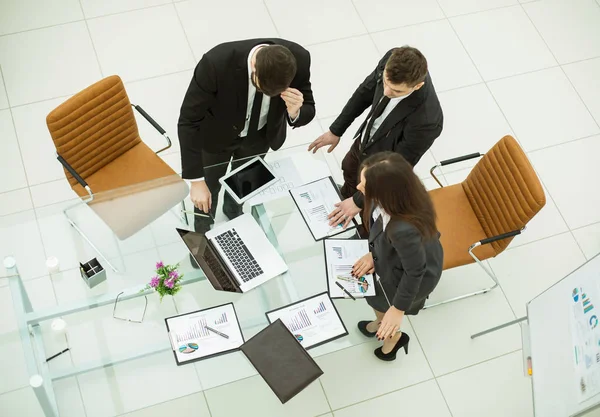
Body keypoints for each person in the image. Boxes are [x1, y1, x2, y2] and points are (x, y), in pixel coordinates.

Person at [178, 39, 315, 233]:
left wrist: (295, 112)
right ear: (253, 66)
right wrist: (196, 181)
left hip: (260, 136)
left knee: (244, 182)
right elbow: (188, 121)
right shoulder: (216, 63)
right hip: (216, 138)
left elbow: (309, 106)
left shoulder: (299, 58)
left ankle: (233, 208)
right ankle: (203, 226)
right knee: (209, 187)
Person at [308, 46, 443, 230]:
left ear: (417, 86)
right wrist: (336, 130)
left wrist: (359, 201)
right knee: (349, 166)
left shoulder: (427, 121)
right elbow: (365, 91)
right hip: (367, 139)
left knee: (368, 214)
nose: (386, 92)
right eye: (386, 83)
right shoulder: (391, 58)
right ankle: (345, 198)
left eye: (396, 91)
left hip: (383, 162)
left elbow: (396, 168)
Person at [351, 152, 443, 361]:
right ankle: (381, 322)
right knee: (377, 299)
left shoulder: (403, 228)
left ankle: (393, 337)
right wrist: (374, 254)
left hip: (411, 273)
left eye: (365, 186)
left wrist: (398, 309)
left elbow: (414, 271)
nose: (359, 188)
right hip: (399, 256)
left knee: (380, 300)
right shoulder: (402, 195)